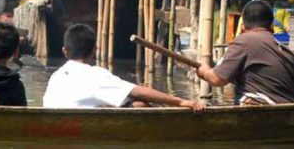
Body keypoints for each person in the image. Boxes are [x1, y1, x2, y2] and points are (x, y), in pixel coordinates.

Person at [43, 23, 205, 111]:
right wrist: (181, 101)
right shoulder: (96, 75)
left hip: (59, 132)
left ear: (65, 51)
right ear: (94, 51)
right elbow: (138, 91)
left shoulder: (55, 77)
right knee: (139, 104)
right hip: (82, 133)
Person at [196, 0, 294, 106]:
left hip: (260, 113)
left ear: (242, 27)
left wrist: (204, 71)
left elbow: (217, 79)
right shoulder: (285, 51)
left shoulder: (245, 41)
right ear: (272, 26)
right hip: (286, 113)